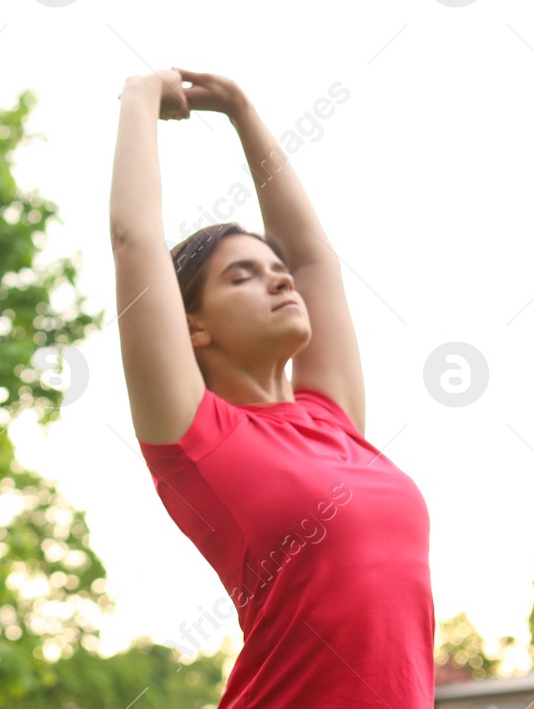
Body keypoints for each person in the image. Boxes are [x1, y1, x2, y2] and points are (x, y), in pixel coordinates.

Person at [109, 68, 433, 707]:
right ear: (191, 326)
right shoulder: (195, 435)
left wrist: (239, 109)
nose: (281, 281)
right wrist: (140, 97)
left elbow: (314, 259)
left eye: (277, 270)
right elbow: (133, 241)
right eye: (243, 277)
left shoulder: (332, 418)